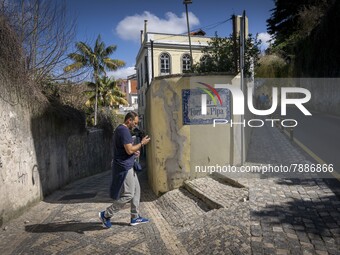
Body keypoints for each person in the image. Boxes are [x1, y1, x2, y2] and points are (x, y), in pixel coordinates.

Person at [99, 111, 151, 227]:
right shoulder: (123, 131)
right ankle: (106, 214)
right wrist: (142, 143)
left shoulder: (121, 130)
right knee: (128, 194)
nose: (136, 125)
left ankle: (135, 217)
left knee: (137, 190)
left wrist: (134, 152)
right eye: (135, 123)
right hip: (125, 166)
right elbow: (129, 150)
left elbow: (128, 150)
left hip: (128, 164)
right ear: (129, 120)